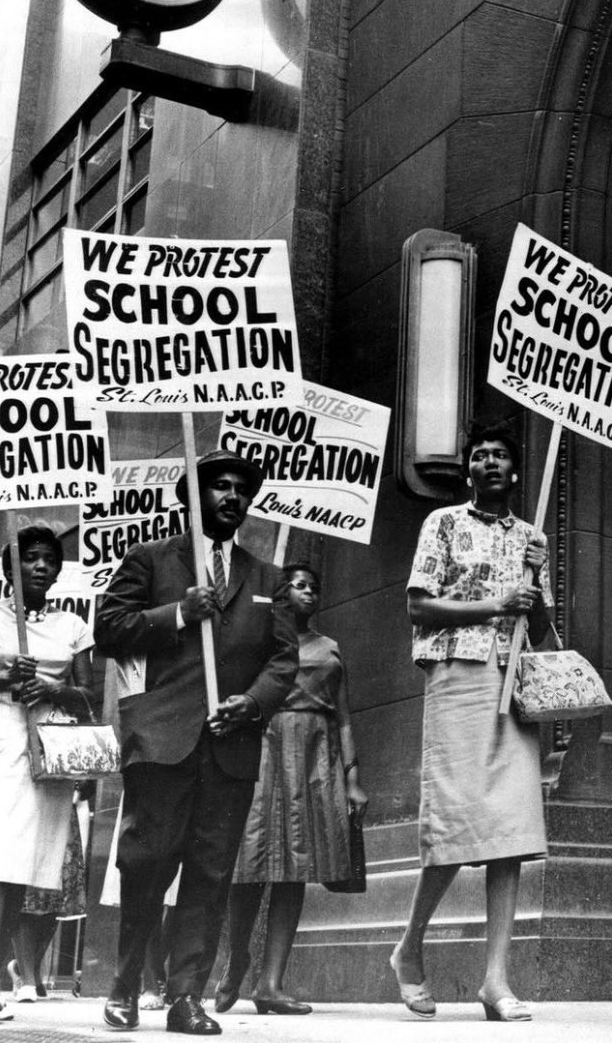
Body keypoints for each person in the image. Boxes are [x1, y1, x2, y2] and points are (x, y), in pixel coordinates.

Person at [95, 449, 298, 1035]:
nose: (231, 496)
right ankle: (126, 985)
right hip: (163, 741)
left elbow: (284, 661)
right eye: (218, 487)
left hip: (230, 746)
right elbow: (108, 628)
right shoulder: (151, 559)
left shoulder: (268, 579)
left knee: (210, 873)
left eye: (241, 489)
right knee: (147, 864)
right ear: (193, 497)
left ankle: (187, 997)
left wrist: (254, 702)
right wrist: (178, 614)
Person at [389, 422, 555, 1024]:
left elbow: (538, 629)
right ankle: (409, 949)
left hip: (512, 683)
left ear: (514, 472)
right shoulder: (444, 524)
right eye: (480, 455)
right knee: (455, 825)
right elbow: (418, 606)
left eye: (500, 456)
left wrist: (536, 579)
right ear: (468, 471)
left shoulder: (532, 537)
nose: (490, 462)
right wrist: (494, 605)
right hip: (457, 676)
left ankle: (494, 981)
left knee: (509, 829)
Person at [0, 525, 95, 1023]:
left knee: (22, 867)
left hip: (47, 742)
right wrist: (6, 677)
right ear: (12, 567)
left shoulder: (73, 625)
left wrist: (51, 688)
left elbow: (87, 695)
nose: (40, 566)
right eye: (29, 558)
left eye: (49, 560)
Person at [214, 561, 368, 1015]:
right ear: (279, 595)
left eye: (313, 587)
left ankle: (271, 982)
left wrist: (353, 778)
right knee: (249, 864)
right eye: (296, 585)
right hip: (262, 748)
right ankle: (235, 959)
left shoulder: (329, 647)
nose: (307, 592)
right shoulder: (258, 640)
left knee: (296, 868)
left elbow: (343, 716)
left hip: (315, 756)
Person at [8, 783, 92, 1001]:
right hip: (27, 793)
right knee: (27, 890)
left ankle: (30, 966)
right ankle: (27, 977)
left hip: (61, 797)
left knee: (58, 891)